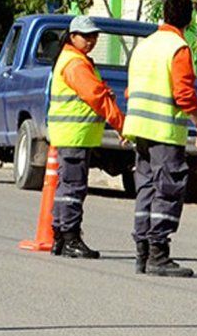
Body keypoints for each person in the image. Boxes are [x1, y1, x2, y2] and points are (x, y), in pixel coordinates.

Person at [122, 0, 197, 277]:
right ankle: (158, 253)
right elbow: (184, 93)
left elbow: (130, 89)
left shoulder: (144, 46)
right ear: (189, 19)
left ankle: (142, 252)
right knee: (168, 188)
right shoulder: (178, 48)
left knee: (146, 187)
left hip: (140, 129)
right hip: (164, 131)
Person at [48, 15, 126, 259]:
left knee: (65, 187)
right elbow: (96, 97)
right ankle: (70, 238)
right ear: (73, 37)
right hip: (76, 135)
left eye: (94, 36)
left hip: (70, 134)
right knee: (74, 188)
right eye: (86, 36)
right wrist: (122, 125)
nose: (91, 40)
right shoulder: (76, 64)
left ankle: (60, 237)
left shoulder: (73, 60)